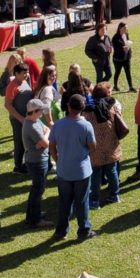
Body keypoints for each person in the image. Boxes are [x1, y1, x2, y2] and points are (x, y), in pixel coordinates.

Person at [49, 94, 96, 241]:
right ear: (82, 108)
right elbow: (92, 146)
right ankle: (84, 231)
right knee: (82, 202)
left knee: (64, 202)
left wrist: (57, 159)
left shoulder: (58, 124)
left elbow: (52, 145)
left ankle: (61, 231)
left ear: (68, 106)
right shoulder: (86, 125)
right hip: (81, 171)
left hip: (64, 170)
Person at [88, 85, 124, 208]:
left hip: (95, 147)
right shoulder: (112, 108)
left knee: (96, 174)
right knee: (112, 171)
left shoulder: (88, 111)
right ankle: (114, 195)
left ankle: (94, 200)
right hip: (111, 145)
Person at [22, 99, 52, 229]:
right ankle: (36, 220)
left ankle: (32, 215)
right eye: (40, 110)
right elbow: (46, 143)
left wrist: (45, 135)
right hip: (37, 162)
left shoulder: (35, 120)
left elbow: (46, 130)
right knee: (38, 191)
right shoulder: (32, 126)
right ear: (34, 111)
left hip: (38, 160)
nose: (42, 113)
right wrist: (46, 136)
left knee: (36, 190)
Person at [3, 63, 33, 174]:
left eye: (27, 72)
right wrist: (20, 118)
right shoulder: (12, 86)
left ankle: (26, 164)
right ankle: (18, 167)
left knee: (27, 141)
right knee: (19, 142)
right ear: (16, 73)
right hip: (18, 119)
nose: (27, 74)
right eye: (24, 73)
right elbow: (7, 105)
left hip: (27, 118)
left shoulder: (24, 81)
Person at [111, 22, 135, 92]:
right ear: (120, 28)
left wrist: (128, 47)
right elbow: (116, 49)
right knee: (117, 72)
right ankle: (115, 86)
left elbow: (127, 43)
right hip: (118, 59)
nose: (126, 29)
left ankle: (131, 87)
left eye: (127, 28)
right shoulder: (115, 38)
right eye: (125, 28)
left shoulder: (126, 34)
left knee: (128, 72)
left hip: (126, 58)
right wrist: (123, 48)